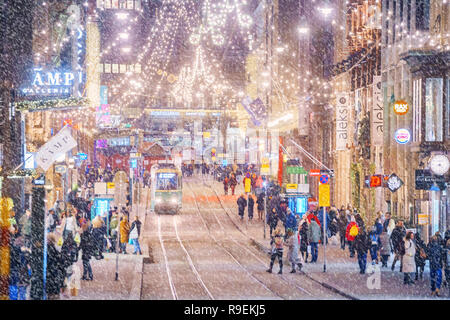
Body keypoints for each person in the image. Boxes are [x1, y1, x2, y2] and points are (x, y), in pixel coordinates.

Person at [9, 236, 31, 300]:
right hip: (21, 276)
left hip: (17, 275)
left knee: (15, 292)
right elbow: (28, 265)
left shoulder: (14, 251)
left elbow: (27, 265)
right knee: (20, 293)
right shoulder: (25, 252)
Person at [60, 231, 79, 297]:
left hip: (65, 260)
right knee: (69, 274)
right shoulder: (74, 243)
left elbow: (62, 251)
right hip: (70, 260)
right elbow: (76, 251)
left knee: (65, 274)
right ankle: (67, 286)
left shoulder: (65, 242)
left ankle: (65, 286)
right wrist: (76, 258)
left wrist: (63, 258)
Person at [46, 233, 64, 300]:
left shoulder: (48, 250)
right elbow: (61, 264)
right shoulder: (56, 249)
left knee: (50, 294)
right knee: (55, 294)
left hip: (51, 275)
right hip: (55, 276)